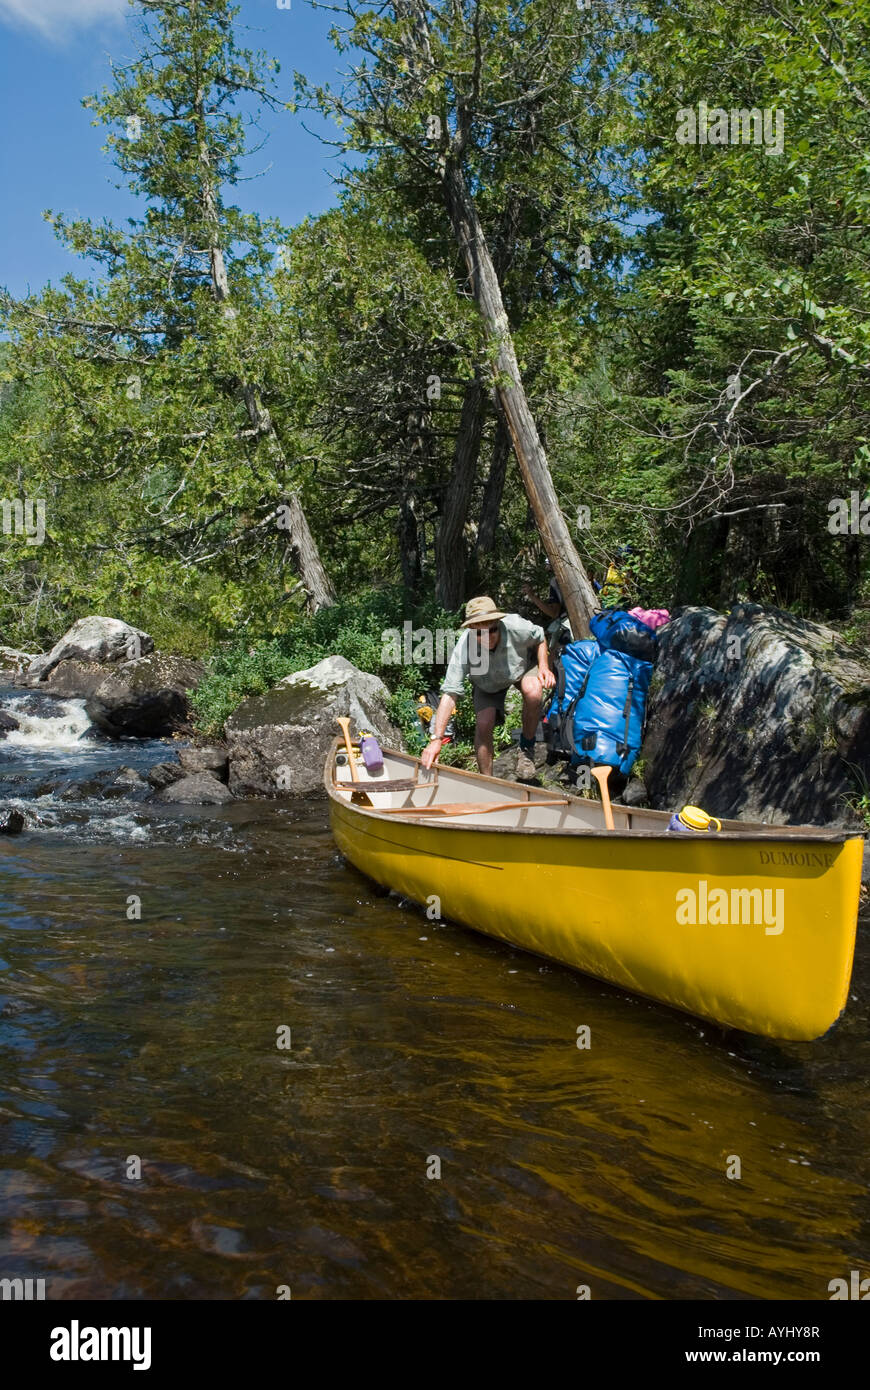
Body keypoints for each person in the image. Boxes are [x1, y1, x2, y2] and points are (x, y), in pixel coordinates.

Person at [421, 596, 555, 780]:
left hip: (520, 668)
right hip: (487, 684)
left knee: (534, 691)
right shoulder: (464, 647)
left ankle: (526, 749)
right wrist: (436, 740)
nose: (487, 637)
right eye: (479, 633)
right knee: (484, 723)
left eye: (492, 630)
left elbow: (540, 636)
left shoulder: (516, 626)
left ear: (498, 623)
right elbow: (450, 694)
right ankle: (487, 781)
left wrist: (544, 666)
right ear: (470, 630)